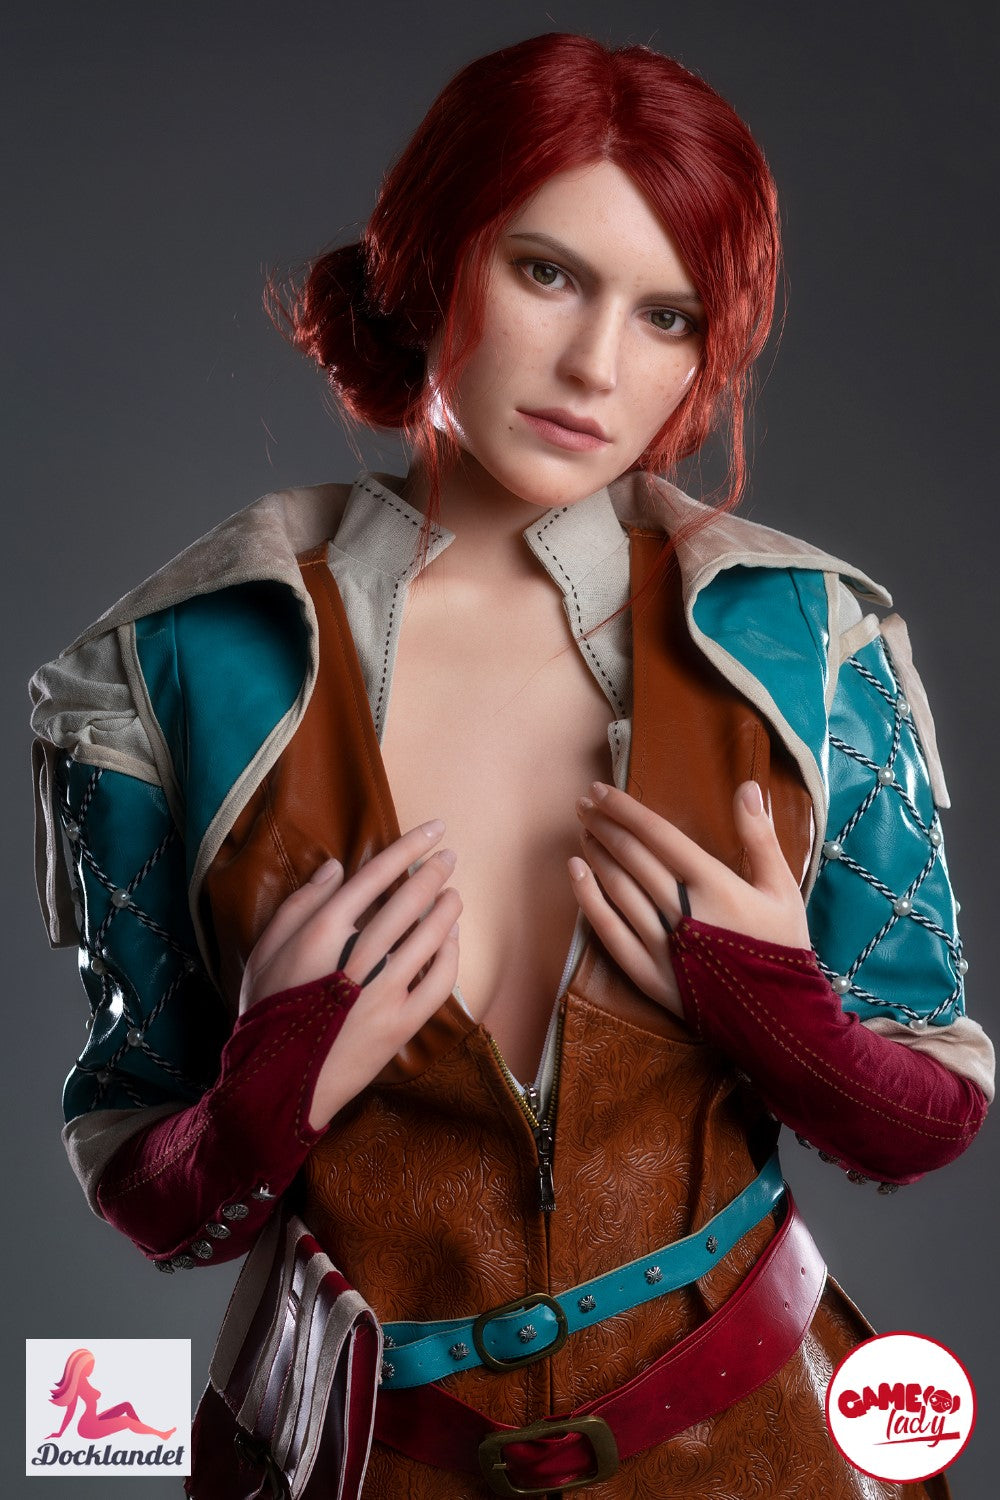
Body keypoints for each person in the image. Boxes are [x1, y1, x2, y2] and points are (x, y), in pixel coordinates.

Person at [29, 31, 993, 1499]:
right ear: (431, 259)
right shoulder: (170, 665)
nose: (598, 367)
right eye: (548, 272)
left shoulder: (810, 642)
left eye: (667, 316)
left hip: (765, 1448)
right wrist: (267, 1092)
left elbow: (928, 1120)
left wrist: (790, 1024)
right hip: (358, 1461)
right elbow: (151, 1190)